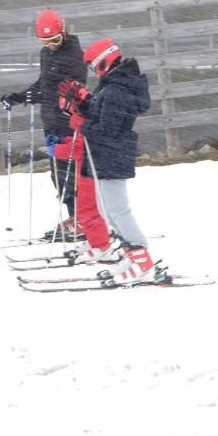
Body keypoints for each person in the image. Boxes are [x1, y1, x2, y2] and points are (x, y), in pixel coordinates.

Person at [59, 37, 163, 284]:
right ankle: (131, 253)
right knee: (109, 210)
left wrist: (82, 122)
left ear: (103, 61)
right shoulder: (113, 85)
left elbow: (108, 128)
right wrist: (84, 103)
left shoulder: (118, 89)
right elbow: (102, 113)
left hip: (112, 153)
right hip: (106, 153)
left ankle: (142, 257)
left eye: (93, 66)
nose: (92, 72)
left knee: (119, 210)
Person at [0, 9, 91, 242]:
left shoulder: (73, 56)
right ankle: (75, 218)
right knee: (58, 175)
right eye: (45, 41)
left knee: (71, 173)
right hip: (50, 122)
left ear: (64, 32)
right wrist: (21, 96)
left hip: (68, 123)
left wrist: (39, 96)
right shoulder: (47, 54)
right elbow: (45, 83)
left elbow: (68, 90)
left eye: (54, 40)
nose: (51, 45)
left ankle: (84, 219)